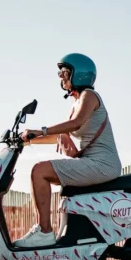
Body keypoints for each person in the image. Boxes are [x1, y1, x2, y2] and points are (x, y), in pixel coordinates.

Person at [15, 53, 123, 247]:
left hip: (102, 164)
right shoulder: (77, 102)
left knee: (39, 171)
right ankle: (46, 231)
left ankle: (44, 231)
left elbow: (75, 123)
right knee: (40, 171)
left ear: (78, 74)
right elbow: (63, 135)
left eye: (64, 72)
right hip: (93, 163)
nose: (60, 76)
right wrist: (28, 140)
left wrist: (40, 130)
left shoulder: (89, 96)